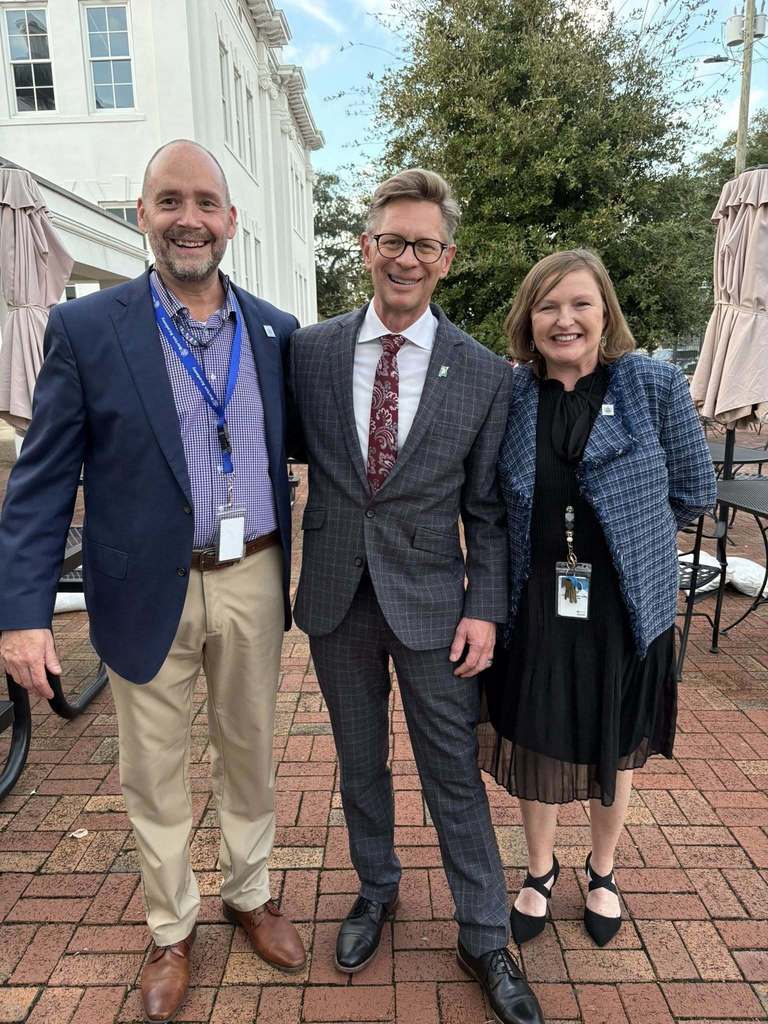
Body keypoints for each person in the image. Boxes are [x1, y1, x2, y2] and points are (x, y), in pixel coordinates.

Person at [0, 140, 306, 1023]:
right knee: (153, 771)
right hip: (141, 589)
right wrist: (23, 614)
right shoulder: (88, 330)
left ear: (231, 221)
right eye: (169, 201)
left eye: (206, 202)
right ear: (142, 214)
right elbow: (43, 479)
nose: (189, 218)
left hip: (250, 577)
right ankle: (172, 928)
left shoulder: (278, 332)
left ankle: (250, 895)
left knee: (250, 751)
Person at [290, 169, 543, 1024]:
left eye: (423, 245)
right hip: (335, 595)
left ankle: (482, 934)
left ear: (447, 259)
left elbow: (490, 510)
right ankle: (376, 889)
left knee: (452, 773)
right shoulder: (311, 351)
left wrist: (487, 605)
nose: (405, 257)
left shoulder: (482, 373)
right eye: (391, 240)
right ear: (364, 248)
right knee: (359, 760)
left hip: (437, 602)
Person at [477, 249, 716, 949]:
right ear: (529, 319)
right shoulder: (513, 393)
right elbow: (490, 497)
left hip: (622, 607)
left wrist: (633, 534)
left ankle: (604, 871)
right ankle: (541, 869)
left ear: (605, 310)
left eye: (580, 303)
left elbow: (694, 491)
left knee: (614, 739)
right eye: (548, 306)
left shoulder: (650, 384)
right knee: (538, 734)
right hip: (537, 604)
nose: (565, 319)